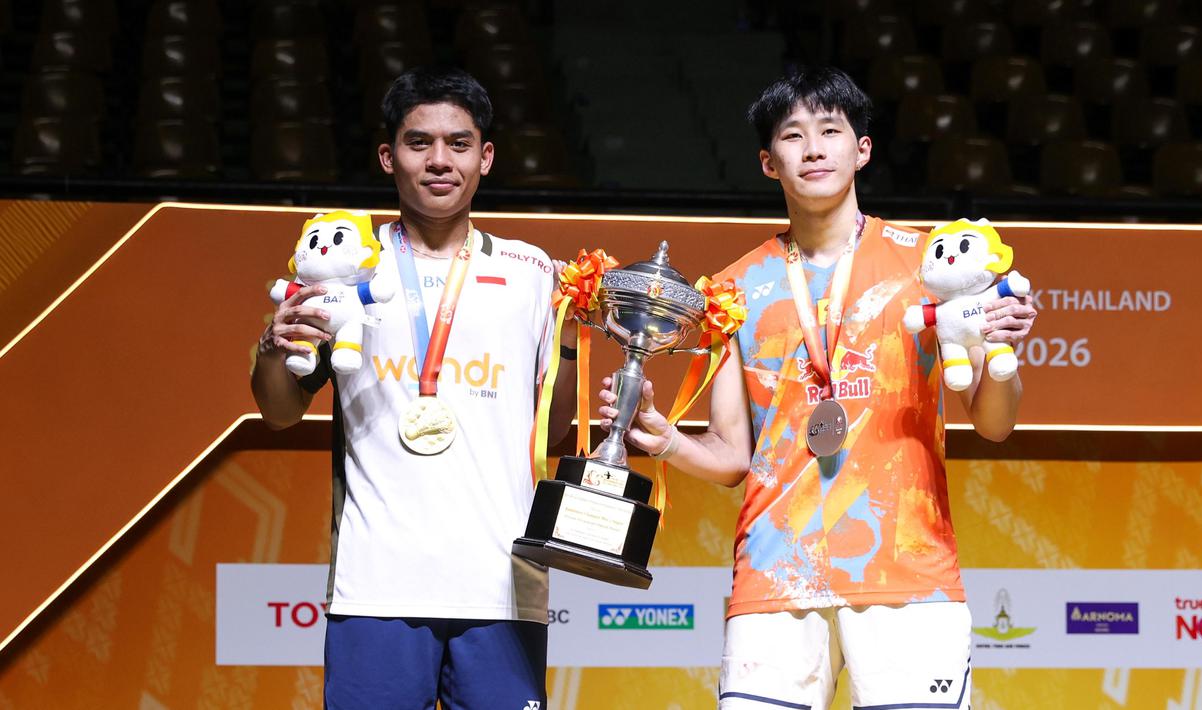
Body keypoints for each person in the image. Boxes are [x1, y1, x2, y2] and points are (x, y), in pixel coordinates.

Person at [598, 67, 1037, 709]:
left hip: (907, 575)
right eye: (793, 135)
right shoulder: (733, 289)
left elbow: (994, 424)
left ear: (861, 149)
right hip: (776, 577)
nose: (813, 148)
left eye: (831, 131)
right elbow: (730, 458)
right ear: (768, 162)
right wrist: (664, 440)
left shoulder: (931, 266)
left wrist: (1003, 355)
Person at [251, 67, 576, 709]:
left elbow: (556, 427)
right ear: (387, 156)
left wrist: (573, 333)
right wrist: (272, 345)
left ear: (485, 157)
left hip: (504, 587)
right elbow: (279, 410)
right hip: (376, 587)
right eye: (417, 142)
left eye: (458, 143)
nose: (438, 161)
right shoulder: (343, 268)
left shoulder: (534, 271)